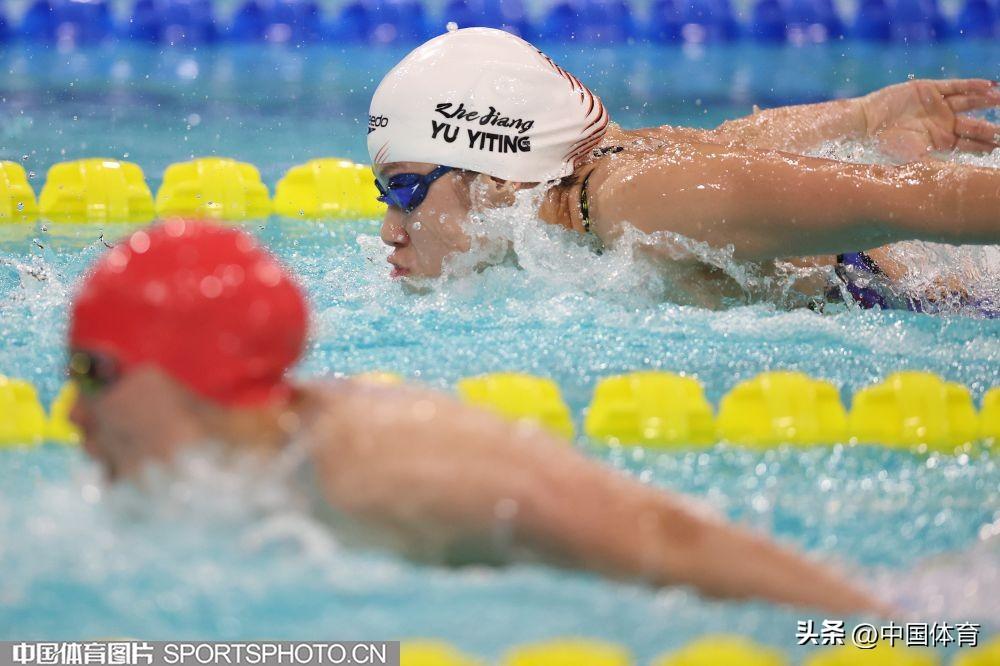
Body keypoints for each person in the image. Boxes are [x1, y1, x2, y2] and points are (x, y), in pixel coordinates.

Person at [69, 218, 886, 615]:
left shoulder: (389, 471)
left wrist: (892, 632)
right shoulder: (260, 462)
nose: (74, 413)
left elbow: (664, 540)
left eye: (92, 373)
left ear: (195, 375)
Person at [368, 27, 1000, 311]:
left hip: (947, 306)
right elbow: (720, 150)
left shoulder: (638, 202)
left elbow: (906, 200)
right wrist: (860, 119)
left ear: (499, 179)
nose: (390, 231)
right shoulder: (589, 195)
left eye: (405, 191)